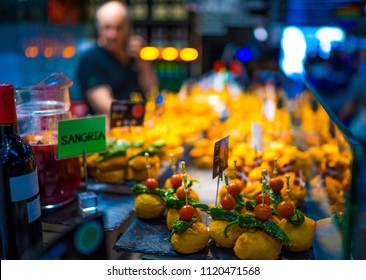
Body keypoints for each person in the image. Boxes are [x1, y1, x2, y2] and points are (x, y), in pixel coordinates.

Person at [77, 1, 158, 115]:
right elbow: (108, 108)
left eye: (119, 28)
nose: (112, 34)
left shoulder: (134, 55)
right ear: (98, 28)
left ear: (128, 28)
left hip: (141, 124)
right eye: (107, 27)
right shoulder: (90, 60)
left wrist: (142, 62)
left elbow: (152, 91)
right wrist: (146, 116)